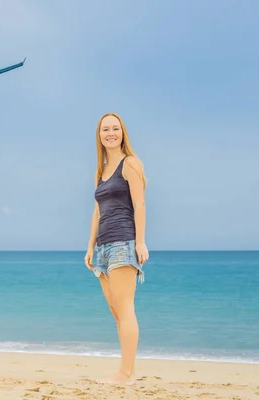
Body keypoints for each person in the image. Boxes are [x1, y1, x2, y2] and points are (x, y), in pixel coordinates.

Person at [84, 112, 148, 385]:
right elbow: (97, 212)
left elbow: (140, 204)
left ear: (123, 133)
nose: (110, 133)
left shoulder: (130, 163)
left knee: (125, 307)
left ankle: (127, 374)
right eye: (105, 129)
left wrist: (141, 242)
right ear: (99, 136)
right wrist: (90, 247)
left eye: (115, 128)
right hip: (103, 247)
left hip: (124, 241)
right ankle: (124, 370)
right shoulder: (101, 171)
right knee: (115, 309)